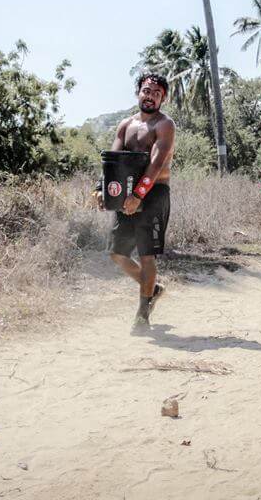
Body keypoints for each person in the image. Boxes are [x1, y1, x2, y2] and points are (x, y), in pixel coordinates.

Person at [96, 73, 175, 330]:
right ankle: (152, 289)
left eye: (156, 93)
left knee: (147, 256)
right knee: (117, 253)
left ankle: (142, 316)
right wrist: (102, 190)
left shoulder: (164, 125)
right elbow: (112, 161)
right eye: (146, 90)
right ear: (138, 92)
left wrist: (139, 195)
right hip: (126, 194)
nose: (150, 95)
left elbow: (156, 164)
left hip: (153, 195)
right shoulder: (125, 125)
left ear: (162, 98)